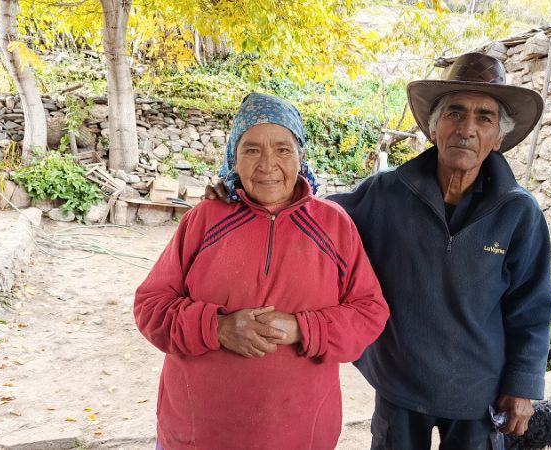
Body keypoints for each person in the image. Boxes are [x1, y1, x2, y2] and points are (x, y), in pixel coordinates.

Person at [204, 52, 551, 450]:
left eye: (484, 118)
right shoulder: (389, 192)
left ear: (499, 138)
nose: (467, 129)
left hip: (478, 391)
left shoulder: (518, 212)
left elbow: (531, 308)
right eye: (455, 113)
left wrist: (522, 386)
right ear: (434, 127)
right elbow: (312, 213)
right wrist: (238, 188)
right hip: (399, 384)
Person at [134, 93, 389, 450]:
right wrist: (218, 328)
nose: (268, 164)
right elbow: (150, 306)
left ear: (300, 156)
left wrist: (305, 328)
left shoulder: (334, 225)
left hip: (300, 434)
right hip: (198, 435)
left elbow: (369, 312)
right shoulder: (204, 220)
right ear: (233, 158)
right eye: (251, 149)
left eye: (283, 149)